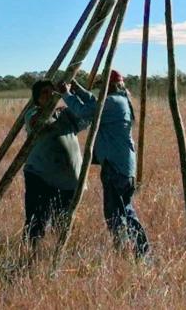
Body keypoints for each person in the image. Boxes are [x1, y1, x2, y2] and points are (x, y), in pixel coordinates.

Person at [60, 70, 150, 257]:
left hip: (115, 167)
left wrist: (66, 94)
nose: (101, 89)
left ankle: (124, 250)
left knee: (115, 213)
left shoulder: (111, 102)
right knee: (125, 210)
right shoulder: (119, 100)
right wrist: (79, 90)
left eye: (103, 86)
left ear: (110, 86)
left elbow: (85, 111)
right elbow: (94, 101)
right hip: (122, 166)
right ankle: (140, 251)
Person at [22, 79, 88, 245]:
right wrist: (53, 108)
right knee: (37, 222)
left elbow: (88, 113)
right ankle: (31, 255)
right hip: (40, 176)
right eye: (45, 93)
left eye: (53, 92)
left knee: (62, 223)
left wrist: (73, 93)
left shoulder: (65, 113)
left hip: (68, 180)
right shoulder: (33, 113)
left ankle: (56, 254)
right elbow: (37, 124)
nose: (51, 95)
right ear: (37, 98)